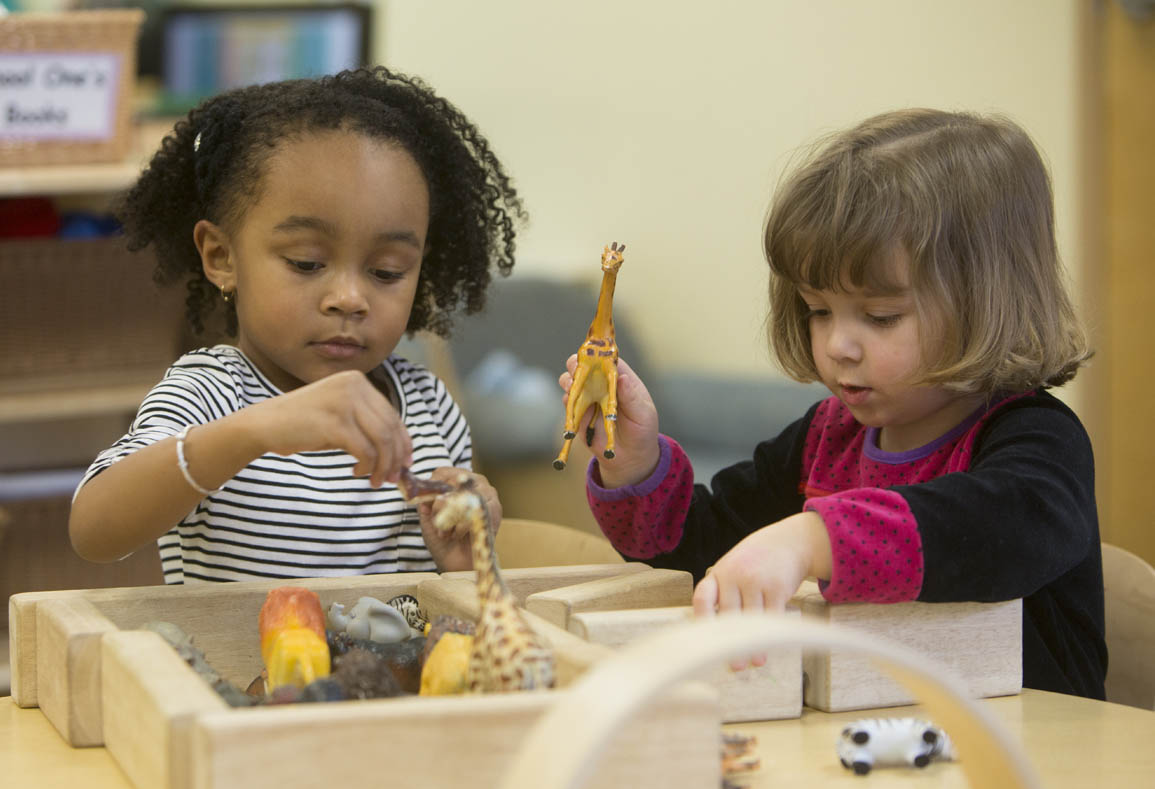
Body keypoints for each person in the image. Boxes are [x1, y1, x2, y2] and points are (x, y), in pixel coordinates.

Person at [561, 109, 1107, 699]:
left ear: (986, 304)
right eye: (818, 310)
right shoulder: (828, 436)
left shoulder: (1038, 440)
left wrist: (808, 541)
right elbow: (699, 549)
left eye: (879, 317)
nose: (837, 346)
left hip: (1032, 751)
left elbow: (996, 532)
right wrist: (633, 463)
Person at [70, 66, 525, 583]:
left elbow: (450, 605)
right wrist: (257, 430)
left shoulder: (429, 409)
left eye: (387, 272)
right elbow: (94, 529)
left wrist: (466, 561)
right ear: (221, 256)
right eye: (307, 263)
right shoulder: (210, 396)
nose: (350, 299)